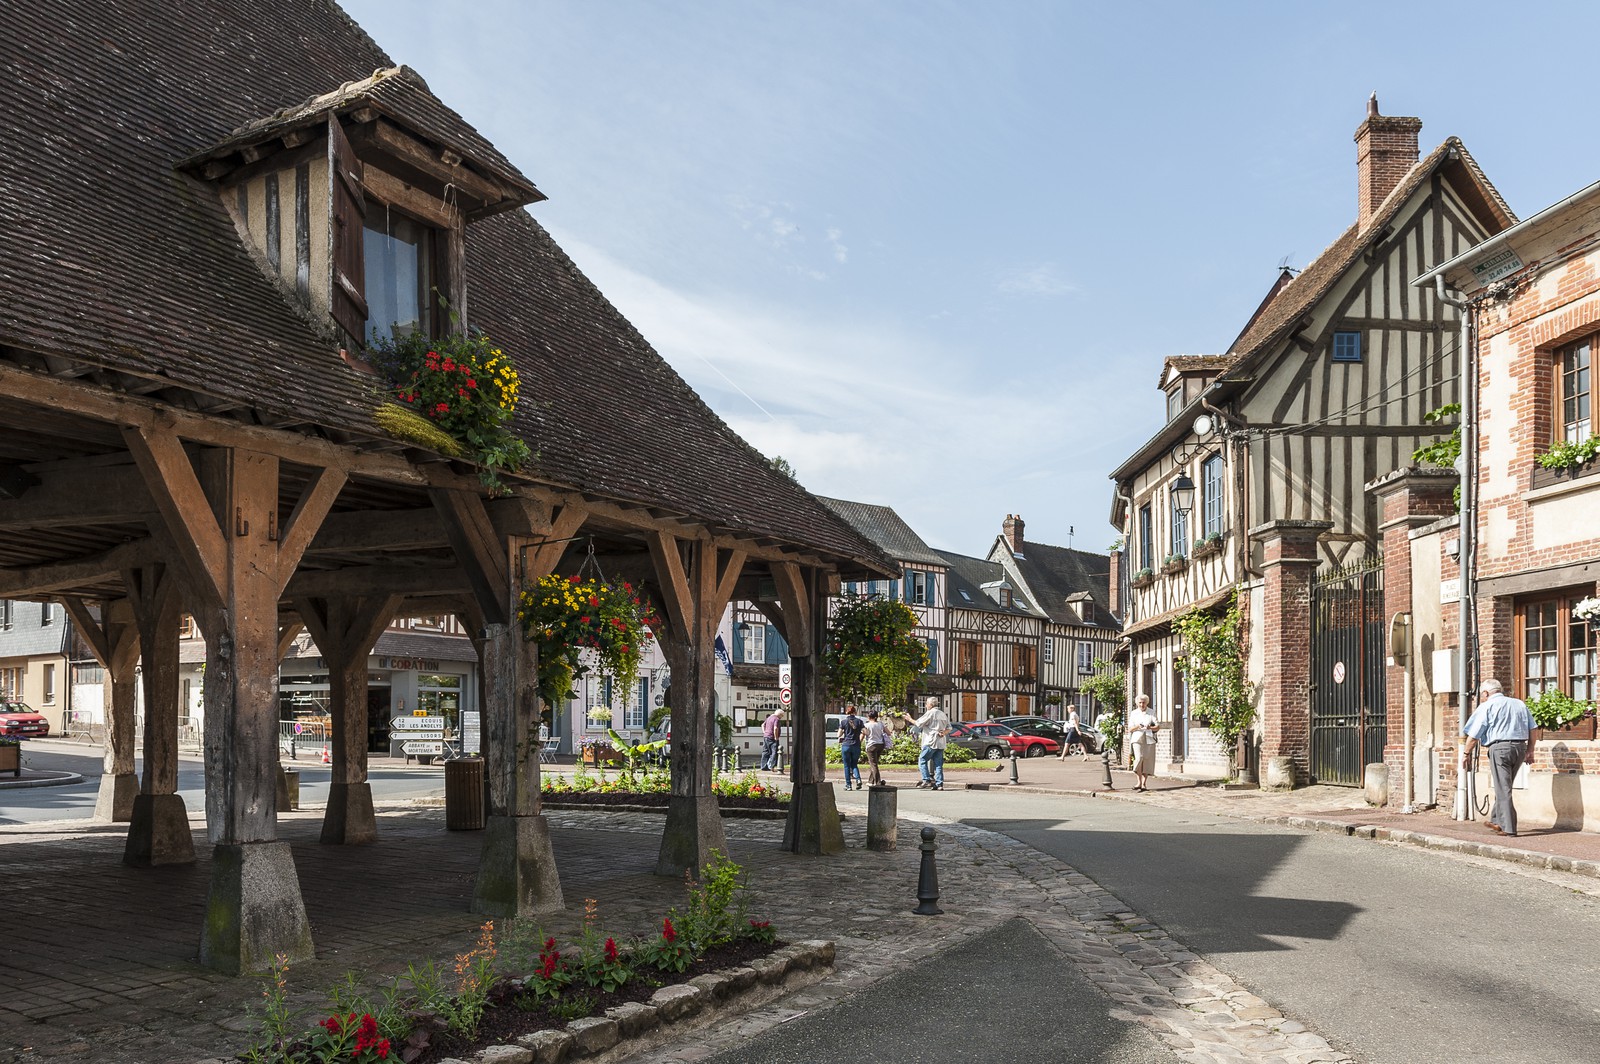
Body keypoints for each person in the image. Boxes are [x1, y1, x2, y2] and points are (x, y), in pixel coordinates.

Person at [1461, 678, 1536, 837]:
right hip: (1519, 748)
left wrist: (1466, 753)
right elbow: (1533, 728)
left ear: (1486, 693)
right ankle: (1496, 820)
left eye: (1481, 695)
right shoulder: (1519, 704)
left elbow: (1474, 735)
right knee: (1504, 785)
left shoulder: (1487, 706)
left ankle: (1509, 828)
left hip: (1500, 749)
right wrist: (1530, 750)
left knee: (1503, 787)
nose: (1481, 698)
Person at [904, 696, 951, 790]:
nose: (925, 705)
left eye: (926, 703)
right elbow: (949, 728)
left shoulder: (930, 713)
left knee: (922, 760)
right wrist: (944, 732)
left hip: (930, 741)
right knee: (938, 764)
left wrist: (909, 719)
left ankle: (926, 780)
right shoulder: (942, 714)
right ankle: (939, 784)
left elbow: (918, 723)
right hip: (941, 742)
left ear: (930, 704)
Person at [1128, 694, 1160, 792]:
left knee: (1147, 760)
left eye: (1144, 703)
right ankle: (1138, 781)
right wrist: (1138, 726)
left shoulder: (1151, 712)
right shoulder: (1133, 713)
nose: (1142, 705)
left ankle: (1143, 783)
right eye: (1140, 703)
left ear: (1147, 703)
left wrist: (1149, 727)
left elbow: (1158, 726)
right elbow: (1130, 729)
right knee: (1139, 758)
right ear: (1137, 703)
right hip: (1137, 738)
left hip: (1149, 738)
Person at [838, 704, 866, 790]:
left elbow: (839, 734)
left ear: (847, 712)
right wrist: (860, 739)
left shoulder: (843, 722)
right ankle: (858, 779)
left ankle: (848, 785)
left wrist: (843, 732)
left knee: (846, 766)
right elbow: (865, 732)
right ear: (855, 712)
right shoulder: (860, 721)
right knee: (854, 764)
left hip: (846, 745)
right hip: (856, 745)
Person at [863, 708, 891, 787]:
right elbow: (888, 733)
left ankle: (878, 782)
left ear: (869, 717)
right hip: (880, 744)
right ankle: (870, 780)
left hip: (871, 745)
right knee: (875, 763)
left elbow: (864, 734)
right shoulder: (880, 724)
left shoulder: (866, 725)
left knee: (873, 764)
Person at [760, 707, 784, 771]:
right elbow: (775, 728)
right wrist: (776, 737)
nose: (781, 717)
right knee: (774, 752)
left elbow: (762, 725)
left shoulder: (769, 718)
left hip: (766, 737)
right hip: (772, 738)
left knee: (765, 752)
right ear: (780, 715)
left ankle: (763, 766)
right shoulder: (776, 719)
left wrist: (764, 732)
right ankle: (771, 766)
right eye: (782, 716)